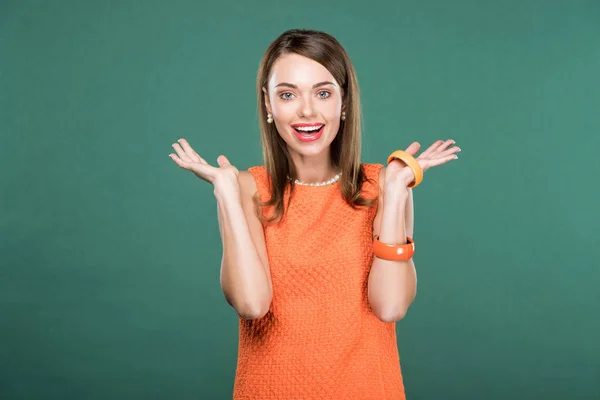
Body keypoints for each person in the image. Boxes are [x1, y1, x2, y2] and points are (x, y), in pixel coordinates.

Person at [169, 29, 460, 400]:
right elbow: (251, 304)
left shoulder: (385, 184)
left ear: (343, 101)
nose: (307, 110)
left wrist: (396, 195)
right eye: (287, 95)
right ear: (268, 105)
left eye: (322, 93)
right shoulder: (247, 188)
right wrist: (225, 193)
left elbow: (390, 307)